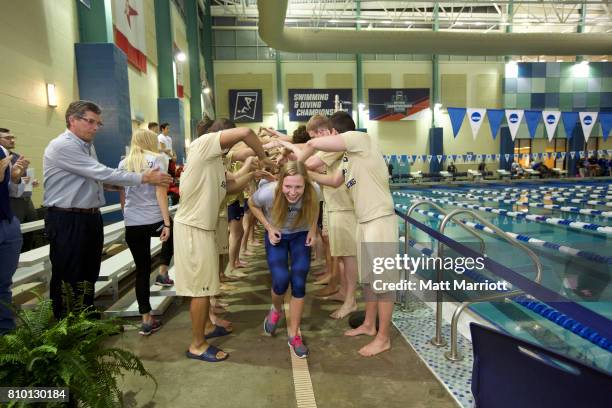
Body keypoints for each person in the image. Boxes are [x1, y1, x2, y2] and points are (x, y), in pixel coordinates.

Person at [43, 100, 172, 319]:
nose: (95, 127)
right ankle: (67, 327)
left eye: (98, 123)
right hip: (67, 217)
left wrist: (118, 185)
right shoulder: (63, 145)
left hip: (89, 217)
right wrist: (143, 177)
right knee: (69, 273)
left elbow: (96, 179)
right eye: (90, 122)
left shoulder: (87, 146)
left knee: (90, 272)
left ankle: (89, 320)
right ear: (72, 120)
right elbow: (101, 172)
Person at [289, 111, 399, 357]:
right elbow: (334, 180)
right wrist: (304, 174)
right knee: (369, 279)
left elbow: (313, 143)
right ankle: (370, 324)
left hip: (380, 219)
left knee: (383, 282)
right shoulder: (349, 158)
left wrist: (297, 165)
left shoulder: (361, 140)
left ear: (338, 133)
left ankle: (384, 338)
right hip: (363, 221)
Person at [174, 120, 272, 363]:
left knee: (207, 285)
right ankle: (197, 344)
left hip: (203, 227)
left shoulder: (214, 161)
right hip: (193, 228)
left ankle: (207, 326)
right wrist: (264, 157)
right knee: (200, 289)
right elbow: (248, 132)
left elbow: (230, 185)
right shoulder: (204, 144)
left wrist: (254, 172)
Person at [248, 161, 319, 358]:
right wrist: (269, 228)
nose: (293, 192)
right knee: (280, 280)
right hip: (277, 234)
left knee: (299, 281)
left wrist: (313, 230)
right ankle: (275, 309)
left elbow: (315, 208)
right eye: (288, 186)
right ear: (280, 184)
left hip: (300, 235)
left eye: (298, 187)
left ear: (305, 184)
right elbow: (252, 204)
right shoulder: (268, 192)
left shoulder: (314, 190)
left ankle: (294, 334)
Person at [118, 129, 174, 336]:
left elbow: (122, 195)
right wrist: (166, 223)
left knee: (141, 270)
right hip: (153, 218)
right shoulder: (158, 158)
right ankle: (162, 271)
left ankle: (146, 318)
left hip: (132, 221)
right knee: (174, 230)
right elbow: (161, 192)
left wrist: (127, 217)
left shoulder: (124, 163)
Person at [302, 116, 359, 320]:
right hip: (338, 207)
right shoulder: (340, 148)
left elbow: (310, 163)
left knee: (348, 257)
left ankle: (351, 300)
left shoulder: (338, 147)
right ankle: (345, 293)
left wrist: (299, 169)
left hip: (344, 209)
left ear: (333, 132)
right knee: (343, 256)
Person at [0, 140, 25, 334]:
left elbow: (11, 192)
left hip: (7, 222)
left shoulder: (3, 153)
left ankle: (6, 333)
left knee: (4, 283)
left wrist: (14, 178)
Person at [0, 129, 39, 251]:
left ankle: (27, 253)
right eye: (7, 138)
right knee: (15, 233)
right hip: (12, 201)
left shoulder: (16, 156)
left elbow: (19, 179)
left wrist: (30, 183)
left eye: (13, 137)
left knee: (32, 229)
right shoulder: (2, 157)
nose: (12, 140)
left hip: (26, 198)